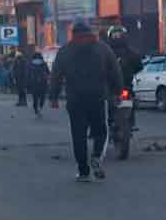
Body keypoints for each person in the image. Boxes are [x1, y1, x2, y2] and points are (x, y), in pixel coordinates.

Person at [49, 22, 122, 183]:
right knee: (101, 131)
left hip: (75, 100)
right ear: (90, 33)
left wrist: (53, 97)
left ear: (73, 33)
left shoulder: (65, 51)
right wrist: (117, 92)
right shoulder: (103, 49)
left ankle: (83, 172)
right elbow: (115, 71)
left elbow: (56, 75)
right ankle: (96, 156)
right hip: (97, 97)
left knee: (78, 135)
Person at [106, 26, 144, 126]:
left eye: (119, 34)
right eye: (115, 35)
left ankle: (113, 123)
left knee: (117, 101)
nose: (117, 36)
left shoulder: (106, 51)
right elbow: (139, 66)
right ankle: (127, 123)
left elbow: (139, 66)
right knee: (114, 102)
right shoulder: (130, 51)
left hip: (116, 87)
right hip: (123, 85)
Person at [27, 52, 50, 116]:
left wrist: (27, 84)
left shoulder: (31, 64)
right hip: (43, 83)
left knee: (35, 97)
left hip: (34, 83)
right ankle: (40, 107)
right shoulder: (44, 64)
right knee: (42, 97)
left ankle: (36, 109)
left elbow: (28, 74)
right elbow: (48, 73)